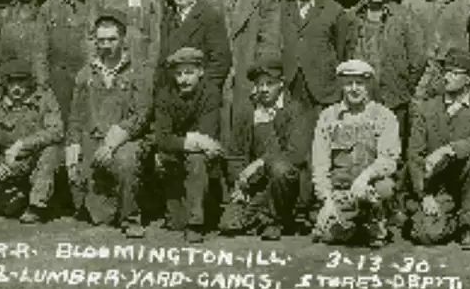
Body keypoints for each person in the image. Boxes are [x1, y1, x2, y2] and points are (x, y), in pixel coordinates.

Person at [65, 10, 154, 238]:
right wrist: (73, 148)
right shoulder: (86, 74)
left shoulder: (138, 72)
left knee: (126, 161)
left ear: (123, 40)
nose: (106, 45)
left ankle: (131, 218)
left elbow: (141, 115)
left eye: (112, 39)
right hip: (93, 140)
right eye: (101, 40)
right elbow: (76, 116)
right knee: (97, 216)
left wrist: (113, 142)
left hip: (126, 141)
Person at [406, 46, 470, 249]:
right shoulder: (427, 108)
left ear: (469, 78)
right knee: (426, 235)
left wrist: (447, 149)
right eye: (445, 72)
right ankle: (454, 218)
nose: (446, 77)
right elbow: (415, 155)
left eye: (454, 73)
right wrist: (425, 195)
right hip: (439, 186)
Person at [220, 56, 314, 241]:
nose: (263, 89)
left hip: (286, 184)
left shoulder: (294, 110)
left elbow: (297, 153)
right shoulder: (247, 112)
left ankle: (275, 220)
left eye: (269, 83)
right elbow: (235, 154)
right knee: (228, 224)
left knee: (280, 169)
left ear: (281, 84)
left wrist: (261, 162)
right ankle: (266, 217)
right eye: (259, 84)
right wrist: (239, 184)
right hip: (256, 185)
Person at [311, 59, 401, 248]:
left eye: (359, 83)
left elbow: (389, 159)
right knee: (327, 235)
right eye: (348, 83)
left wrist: (365, 178)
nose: (354, 89)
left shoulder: (384, 116)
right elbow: (320, 164)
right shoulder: (328, 117)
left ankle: (376, 216)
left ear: (368, 85)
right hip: (341, 190)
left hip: (370, 188)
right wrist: (326, 200)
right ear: (341, 86)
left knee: (385, 188)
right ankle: (356, 222)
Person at [0, 57, 63, 221]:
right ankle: (16, 199)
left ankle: (36, 206)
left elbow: (56, 131)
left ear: (30, 82)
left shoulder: (44, 100)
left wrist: (22, 144)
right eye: (12, 82)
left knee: (51, 151)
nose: (17, 87)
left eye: (22, 81)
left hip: (34, 162)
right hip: (8, 164)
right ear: (4, 83)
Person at [207, 0, 281, 143]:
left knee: (248, 129)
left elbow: (270, 41)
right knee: (220, 129)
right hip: (220, 76)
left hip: (249, 75)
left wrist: (262, 80)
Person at [344, 0, 425, 146]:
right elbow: (343, 52)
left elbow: (418, 57)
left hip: (394, 97)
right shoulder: (351, 17)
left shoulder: (403, 17)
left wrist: (404, 83)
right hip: (360, 96)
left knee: (393, 147)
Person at [153, 48, 225, 244]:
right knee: (176, 222)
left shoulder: (210, 93)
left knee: (196, 158)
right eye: (178, 73)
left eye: (189, 73)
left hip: (201, 160)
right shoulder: (165, 95)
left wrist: (187, 142)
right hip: (173, 158)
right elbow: (162, 138)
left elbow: (208, 134)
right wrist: (191, 141)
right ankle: (178, 207)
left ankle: (196, 223)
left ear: (201, 72)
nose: (183, 79)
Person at [279, 0, 351, 116]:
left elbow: (341, 51)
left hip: (322, 88)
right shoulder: (281, 8)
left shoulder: (334, 10)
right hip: (290, 85)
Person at [41, 0, 99, 121]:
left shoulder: (92, 6)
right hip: (57, 76)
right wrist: (42, 81)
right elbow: (40, 48)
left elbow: (95, 39)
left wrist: (92, 71)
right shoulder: (48, 7)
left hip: (84, 73)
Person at [159, 0, 230, 99]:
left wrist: (204, 91)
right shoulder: (167, 19)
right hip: (172, 94)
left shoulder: (209, 16)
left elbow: (220, 61)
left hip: (199, 95)